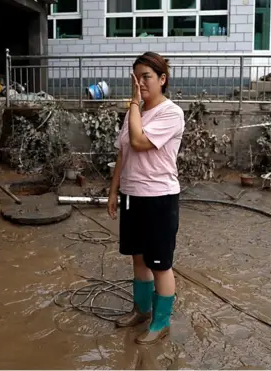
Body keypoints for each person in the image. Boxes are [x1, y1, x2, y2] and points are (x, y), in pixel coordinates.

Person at [108, 52, 185, 345]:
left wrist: (134, 103)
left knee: (159, 263)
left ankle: (161, 322)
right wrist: (114, 190)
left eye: (146, 77)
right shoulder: (134, 112)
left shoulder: (171, 113)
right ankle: (141, 310)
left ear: (162, 79)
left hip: (158, 197)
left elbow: (140, 143)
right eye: (136, 77)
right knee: (138, 258)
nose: (140, 83)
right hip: (132, 195)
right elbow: (123, 152)